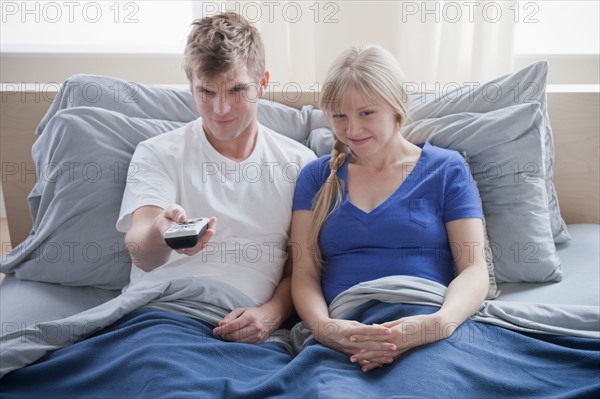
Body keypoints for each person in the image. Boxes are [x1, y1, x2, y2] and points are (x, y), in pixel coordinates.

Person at [115, 11, 316, 344]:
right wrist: (163, 232)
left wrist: (270, 316)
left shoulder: (299, 165)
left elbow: (302, 269)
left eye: (236, 90)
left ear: (262, 83)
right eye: (206, 92)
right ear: (191, 85)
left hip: (243, 329)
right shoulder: (158, 153)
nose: (220, 109)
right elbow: (141, 253)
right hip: (159, 318)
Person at [290, 45, 489, 372]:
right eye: (339, 116)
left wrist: (437, 324)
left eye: (366, 113)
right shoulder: (315, 177)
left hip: (426, 320)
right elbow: (305, 274)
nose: (352, 130)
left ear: (396, 106)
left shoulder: (446, 169)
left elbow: (473, 269)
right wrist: (326, 329)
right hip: (346, 331)